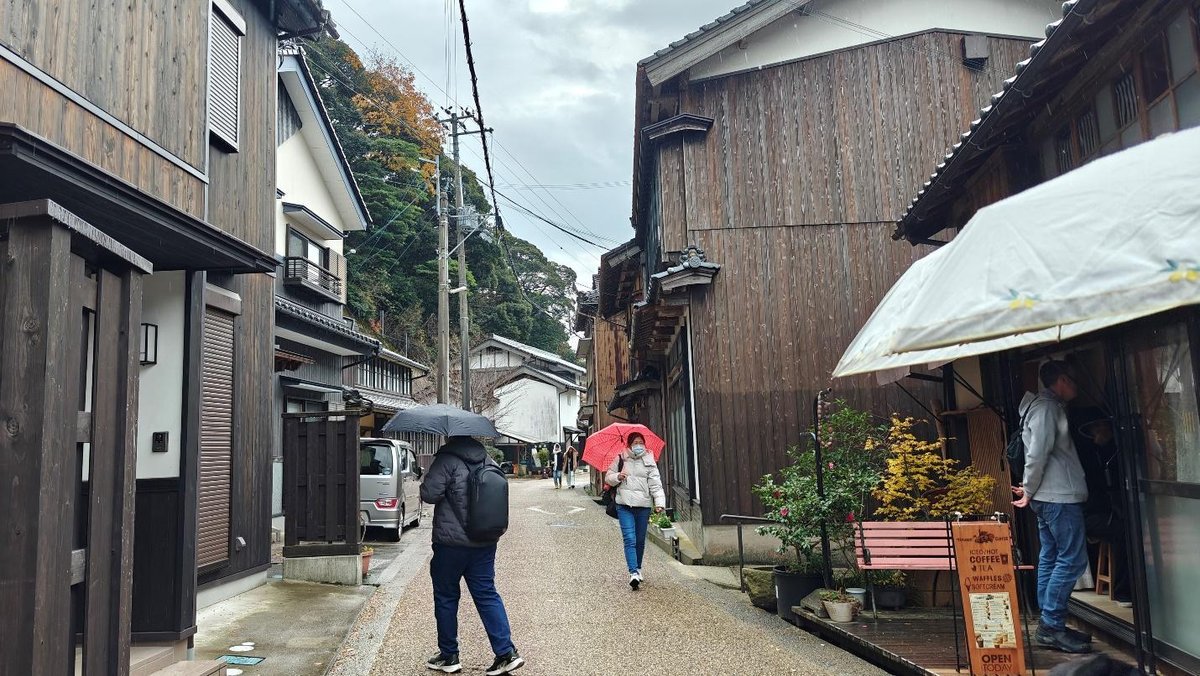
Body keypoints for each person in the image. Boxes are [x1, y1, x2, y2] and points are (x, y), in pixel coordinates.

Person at [421, 436, 525, 674]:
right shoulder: (488, 459)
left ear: (450, 438)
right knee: (487, 594)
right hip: (485, 541)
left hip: (451, 543)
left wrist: (426, 478)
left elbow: (429, 494)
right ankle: (506, 652)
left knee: (446, 596)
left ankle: (449, 656)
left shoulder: (446, 460)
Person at [1011, 360, 1092, 654]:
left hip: (1048, 497)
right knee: (1071, 560)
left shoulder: (1039, 407)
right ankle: (1051, 626)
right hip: (1058, 498)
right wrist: (1029, 489)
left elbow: (1038, 454)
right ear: (1060, 380)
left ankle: (1050, 621)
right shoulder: (1046, 408)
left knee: (1051, 557)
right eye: (1073, 379)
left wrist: (1031, 489)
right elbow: (1037, 454)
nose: (1076, 385)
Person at [1071, 411, 1132, 607]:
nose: (1101, 431)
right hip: (1092, 513)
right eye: (1096, 428)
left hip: (1118, 508)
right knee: (1123, 533)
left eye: (1104, 426)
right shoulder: (1085, 455)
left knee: (1133, 528)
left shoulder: (1118, 450)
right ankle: (1123, 591)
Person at [605, 432, 666, 590]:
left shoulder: (649, 461)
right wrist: (618, 476)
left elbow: (656, 484)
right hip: (624, 505)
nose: (638, 445)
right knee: (630, 539)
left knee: (640, 540)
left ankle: (638, 568)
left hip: (643, 506)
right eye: (635, 442)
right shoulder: (620, 458)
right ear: (629, 445)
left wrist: (659, 503)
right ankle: (633, 573)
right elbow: (608, 477)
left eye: (641, 442)